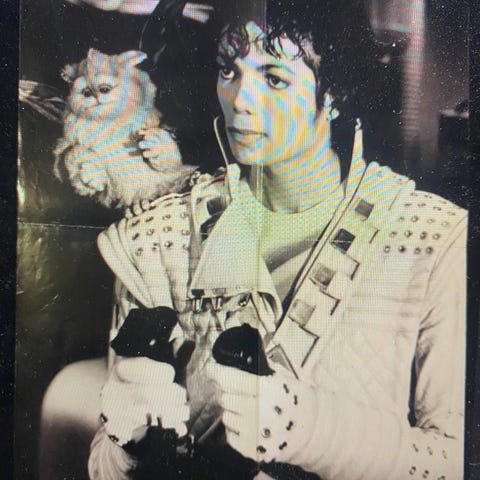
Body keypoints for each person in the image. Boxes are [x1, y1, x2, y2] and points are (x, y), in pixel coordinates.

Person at [86, 1, 467, 479]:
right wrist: (129, 439)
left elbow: (455, 462)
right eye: (228, 70)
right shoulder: (157, 240)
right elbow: (102, 467)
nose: (240, 99)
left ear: (334, 93)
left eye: (274, 78)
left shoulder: (430, 241)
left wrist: (308, 428)